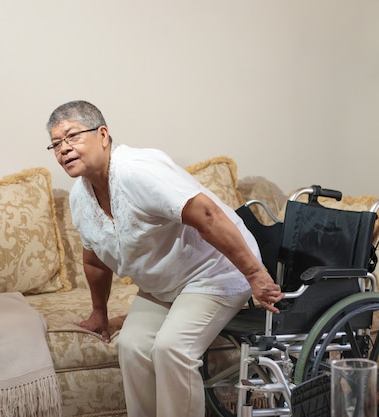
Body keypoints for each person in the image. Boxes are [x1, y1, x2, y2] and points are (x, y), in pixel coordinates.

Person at [45, 100, 284, 417]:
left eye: (72, 136)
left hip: (214, 271)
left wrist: (255, 275)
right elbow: (95, 260)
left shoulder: (138, 171)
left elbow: (209, 216)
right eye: (56, 143)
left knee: (172, 349)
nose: (64, 149)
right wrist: (99, 313)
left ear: (103, 135)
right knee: (131, 347)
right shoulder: (80, 197)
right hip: (165, 285)